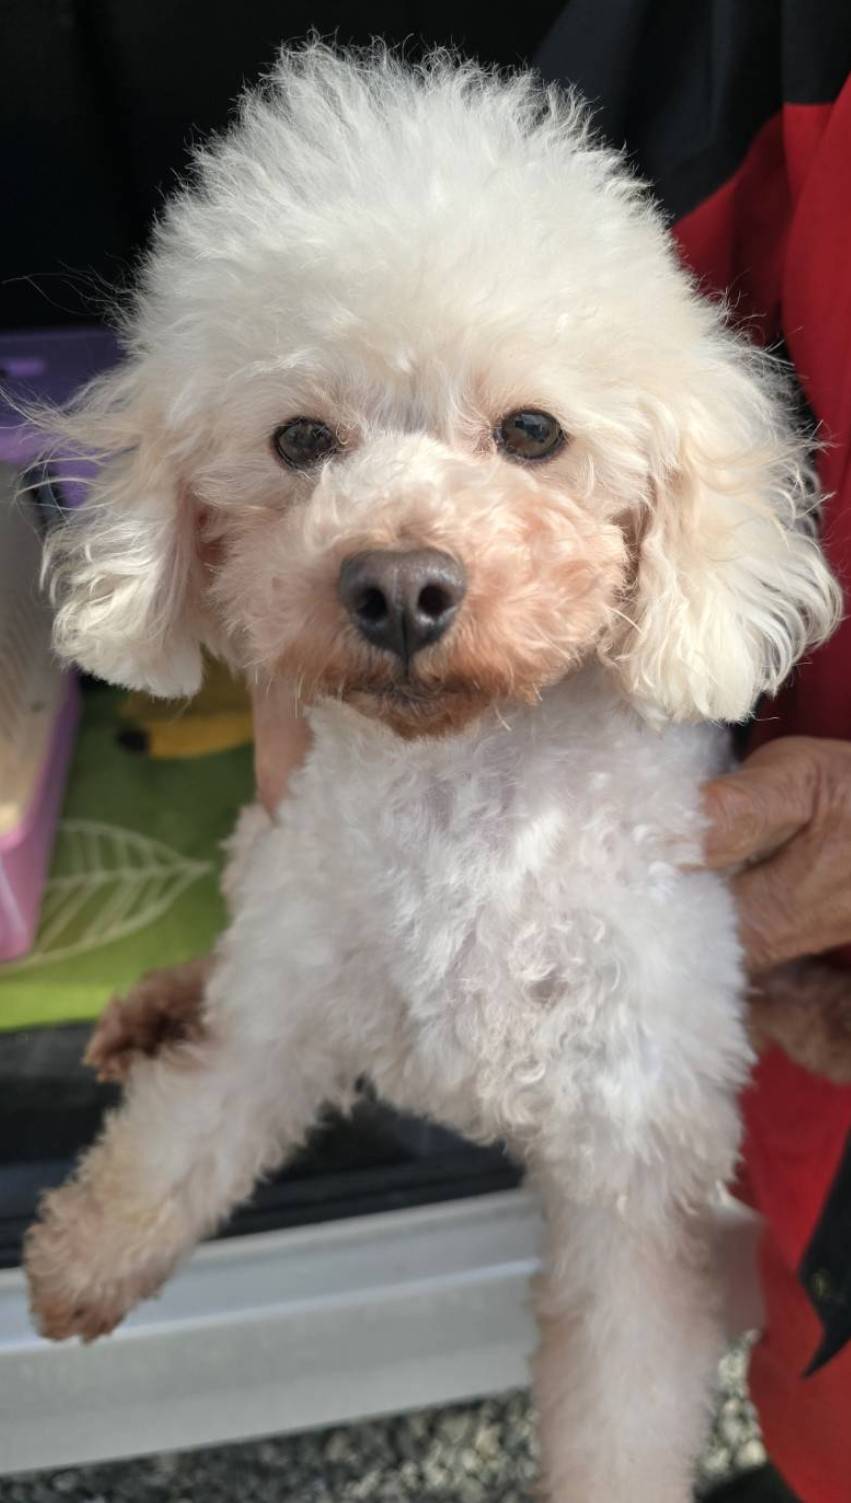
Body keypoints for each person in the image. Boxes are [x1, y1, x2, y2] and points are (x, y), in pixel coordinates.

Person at [250, 13, 851, 1499]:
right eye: (308, 445)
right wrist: (282, 626)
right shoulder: (723, 59)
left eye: (519, 433)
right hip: (790, 1008)